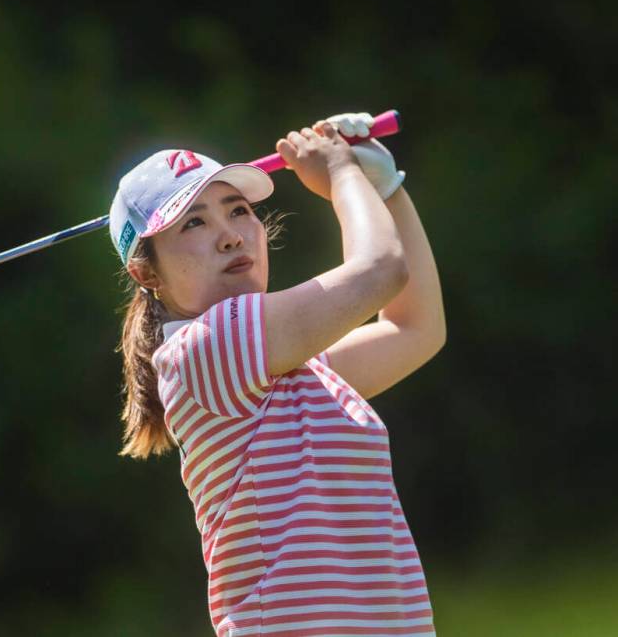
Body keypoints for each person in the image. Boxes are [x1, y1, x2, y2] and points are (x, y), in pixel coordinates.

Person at [109, 112, 446, 637]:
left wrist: (386, 190)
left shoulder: (296, 370)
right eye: (194, 222)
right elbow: (381, 269)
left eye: (238, 210)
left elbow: (415, 328)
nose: (230, 237)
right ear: (146, 273)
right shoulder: (205, 348)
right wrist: (340, 173)